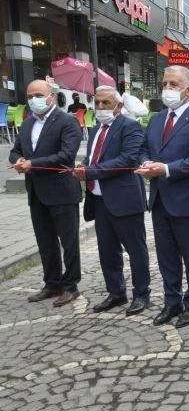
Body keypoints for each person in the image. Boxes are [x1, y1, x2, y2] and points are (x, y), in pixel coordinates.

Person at [135, 66, 189, 328]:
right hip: (160, 197)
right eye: (165, 83)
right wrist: (147, 163)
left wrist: (166, 169)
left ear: (188, 90)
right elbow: (144, 148)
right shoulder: (157, 118)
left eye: (173, 84)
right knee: (166, 254)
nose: (167, 89)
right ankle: (172, 302)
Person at [73, 86, 151, 316]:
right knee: (107, 250)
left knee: (136, 250)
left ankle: (141, 294)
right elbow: (93, 157)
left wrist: (90, 171)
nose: (101, 107)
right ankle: (116, 292)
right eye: (97, 103)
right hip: (99, 199)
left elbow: (127, 159)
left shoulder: (131, 126)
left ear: (118, 106)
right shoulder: (96, 129)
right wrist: (83, 166)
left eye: (106, 103)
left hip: (125, 198)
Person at [10, 80, 83, 307]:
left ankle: (70, 286)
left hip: (62, 191)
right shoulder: (27, 124)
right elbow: (15, 151)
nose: (34, 100)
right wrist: (18, 160)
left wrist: (32, 164)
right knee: (45, 242)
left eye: (38, 94)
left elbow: (66, 154)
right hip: (36, 192)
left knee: (68, 242)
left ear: (51, 96)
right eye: (30, 95)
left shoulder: (67, 122)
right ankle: (51, 283)